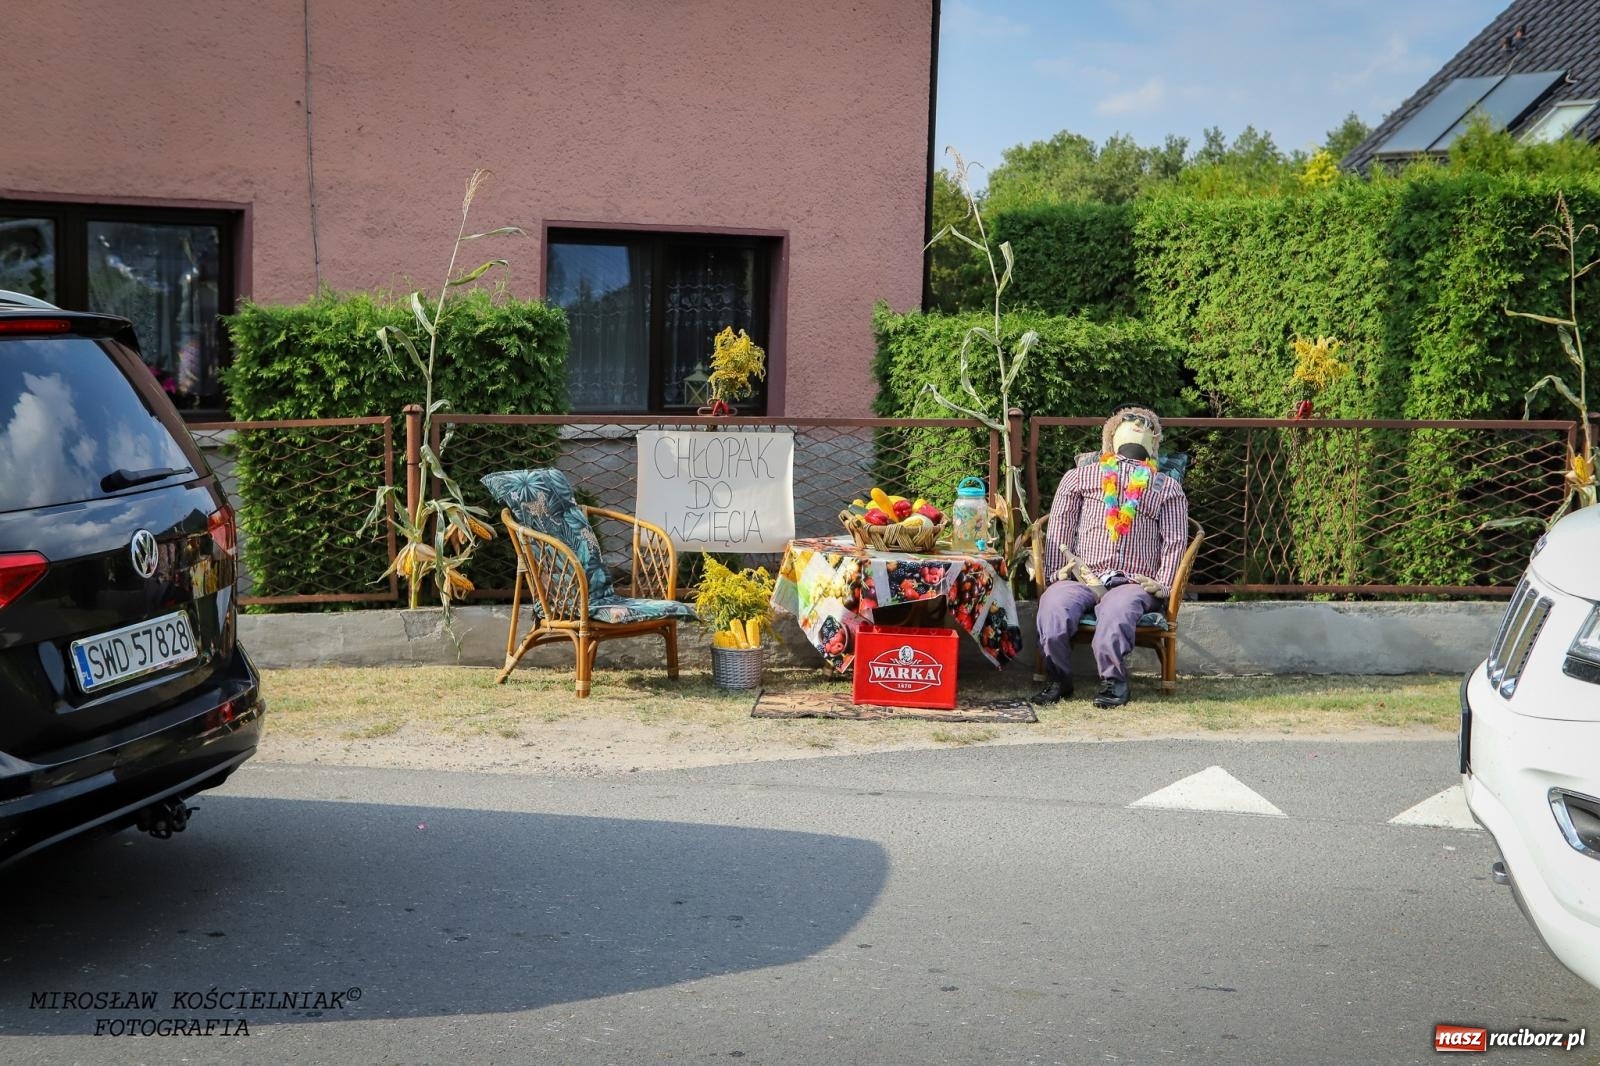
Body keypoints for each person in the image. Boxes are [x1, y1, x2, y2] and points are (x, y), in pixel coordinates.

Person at [1034, 404, 1189, 708]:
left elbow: (1174, 540)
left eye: (1147, 426)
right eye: (1131, 422)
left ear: (1155, 443)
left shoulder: (1166, 487)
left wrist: (1163, 584)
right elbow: (1060, 527)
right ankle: (1059, 679)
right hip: (1080, 574)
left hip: (1133, 581)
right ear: (1112, 434)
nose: (1139, 426)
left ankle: (1114, 681)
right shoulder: (1080, 477)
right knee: (1054, 608)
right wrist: (1056, 573)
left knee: (1117, 613)